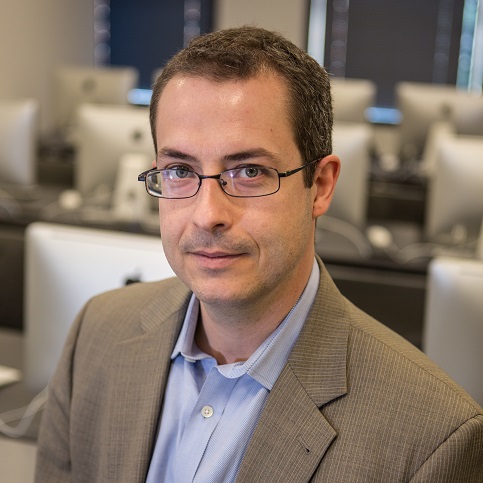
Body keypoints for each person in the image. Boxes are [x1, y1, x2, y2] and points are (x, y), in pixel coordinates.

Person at [35, 26, 483, 482]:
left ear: (321, 186)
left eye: (249, 171)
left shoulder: (433, 437)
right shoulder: (96, 333)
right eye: (179, 171)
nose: (207, 214)